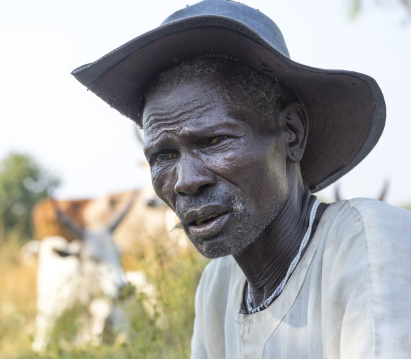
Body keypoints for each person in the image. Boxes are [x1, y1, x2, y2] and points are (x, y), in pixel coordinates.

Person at [72, 0, 411, 357]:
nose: (186, 181)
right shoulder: (219, 287)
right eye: (163, 156)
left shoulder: (370, 244)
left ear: (291, 133)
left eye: (214, 140)